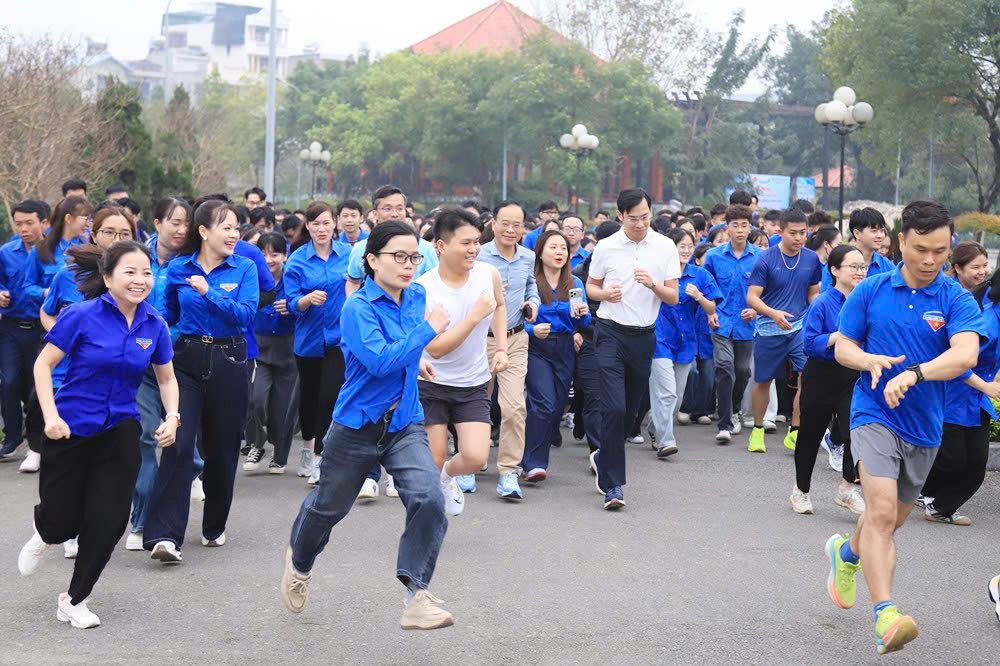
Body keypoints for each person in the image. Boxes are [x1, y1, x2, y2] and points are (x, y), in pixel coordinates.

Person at [825, 200, 985, 655]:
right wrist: (869, 360)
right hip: (873, 414)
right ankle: (887, 616)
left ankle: (846, 555)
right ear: (901, 243)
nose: (930, 260)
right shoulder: (871, 290)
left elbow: (965, 355)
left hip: (924, 428)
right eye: (920, 249)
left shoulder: (954, 298)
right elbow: (844, 348)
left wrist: (914, 373)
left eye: (939, 250)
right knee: (877, 512)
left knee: (888, 522)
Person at [280, 220, 454, 629]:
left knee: (429, 497)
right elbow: (377, 362)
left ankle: (416, 594)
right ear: (372, 260)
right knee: (327, 508)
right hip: (356, 426)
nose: (408, 264)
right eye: (398, 256)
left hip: (404, 423)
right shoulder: (356, 307)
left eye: (414, 256)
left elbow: (402, 347)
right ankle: (300, 562)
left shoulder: (417, 297)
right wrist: (429, 332)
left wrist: (417, 359)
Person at [17, 240, 178, 629]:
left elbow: (167, 378)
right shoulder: (81, 315)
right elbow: (43, 366)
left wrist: (173, 415)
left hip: (120, 429)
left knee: (107, 519)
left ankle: (74, 599)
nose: (140, 280)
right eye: (130, 272)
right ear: (107, 278)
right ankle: (47, 532)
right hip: (69, 427)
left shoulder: (154, 324)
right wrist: (50, 417)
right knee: (62, 518)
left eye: (146, 272)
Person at [143, 199, 259, 564]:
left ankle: (213, 523)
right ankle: (164, 535)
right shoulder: (179, 268)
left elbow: (245, 315)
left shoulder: (244, 268)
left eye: (237, 228)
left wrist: (209, 294)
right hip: (187, 361)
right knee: (177, 443)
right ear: (204, 231)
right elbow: (168, 315)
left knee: (222, 450)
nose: (234, 235)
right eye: (226, 227)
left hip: (230, 360)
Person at [23, 206, 138, 478]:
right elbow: (46, 311)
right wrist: (66, 340)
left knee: (107, 472)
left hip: (116, 386)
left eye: (124, 233)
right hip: (69, 379)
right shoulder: (69, 273)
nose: (116, 239)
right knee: (67, 469)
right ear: (93, 235)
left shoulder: (141, 277)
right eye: (109, 232)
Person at [586, 188, 680, 510]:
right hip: (609, 332)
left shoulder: (665, 246)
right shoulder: (607, 246)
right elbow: (590, 286)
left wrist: (653, 284)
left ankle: (604, 454)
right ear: (620, 215)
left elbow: (673, 297)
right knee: (613, 408)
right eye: (633, 218)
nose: (640, 224)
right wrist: (604, 295)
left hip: (644, 337)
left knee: (628, 414)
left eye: (645, 217)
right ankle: (614, 485)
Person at [417, 208, 507, 515]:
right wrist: (473, 317)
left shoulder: (488, 274)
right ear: (441, 246)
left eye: (476, 242)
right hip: (431, 382)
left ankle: (447, 479)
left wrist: (502, 348)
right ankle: (426, 518)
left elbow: (499, 306)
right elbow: (437, 348)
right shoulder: (425, 289)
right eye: (465, 243)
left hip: (472, 383)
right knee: (435, 457)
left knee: (476, 457)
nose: (473, 249)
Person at [127, 197, 195, 550]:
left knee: (188, 451)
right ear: (157, 223)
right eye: (175, 221)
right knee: (146, 438)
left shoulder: (195, 262)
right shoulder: (138, 257)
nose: (181, 229)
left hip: (180, 361)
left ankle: (182, 484)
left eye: (187, 222)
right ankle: (140, 522)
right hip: (140, 363)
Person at [919, 241, 998, 525]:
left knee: (971, 463)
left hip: (973, 395)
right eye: (975, 267)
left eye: (984, 266)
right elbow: (957, 359)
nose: (981, 271)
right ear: (957, 268)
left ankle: (935, 502)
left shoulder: (985, 302)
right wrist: (987, 386)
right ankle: (929, 499)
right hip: (953, 390)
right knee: (951, 458)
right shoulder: (978, 314)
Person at [793, 245, 867, 515]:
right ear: (835, 270)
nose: (860, 272)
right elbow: (810, 344)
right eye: (853, 266)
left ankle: (848, 488)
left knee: (853, 431)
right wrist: (841, 335)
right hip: (821, 374)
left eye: (863, 267)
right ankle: (800, 490)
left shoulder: (866, 301)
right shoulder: (823, 302)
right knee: (810, 434)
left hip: (852, 374)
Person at [284, 202, 352, 485]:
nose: (321, 229)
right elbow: (290, 303)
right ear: (307, 226)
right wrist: (306, 299)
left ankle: (325, 458)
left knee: (329, 396)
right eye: (315, 224)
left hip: (340, 338)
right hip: (309, 340)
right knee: (310, 399)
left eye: (326, 223)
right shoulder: (297, 260)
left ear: (334, 224)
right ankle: (308, 448)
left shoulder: (349, 255)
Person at [474, 200, 539, 498]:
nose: (511, 230)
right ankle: (468, 466)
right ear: (493, 224)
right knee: (474, 406)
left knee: (514, 407)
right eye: (505, 223)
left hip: (515, 338)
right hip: (479, 340)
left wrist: (532, 303)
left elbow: (530, 287)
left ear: (523, 228)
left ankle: (509, 471)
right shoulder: (479, 255)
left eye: (517, 225)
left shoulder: (528, 256)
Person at [746, 207, 822, 453]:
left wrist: (819, 311)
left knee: (806, 379)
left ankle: (795, 431)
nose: (799, 238)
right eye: (793, 233)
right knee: (763, 381)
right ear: (780, 232)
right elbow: (752, 298)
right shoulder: (765, 259)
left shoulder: (811, 259)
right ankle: (757, 430)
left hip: (799, 328)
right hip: (769, 329)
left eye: (803, 233)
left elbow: (813, 294)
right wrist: (773, 314)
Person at [520, 230, 590, 479]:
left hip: (565, 348)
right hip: (536, 348)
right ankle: (534, 463)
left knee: (556, 405)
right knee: (544, 403)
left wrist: (583, 313)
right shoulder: (530, 281)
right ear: (539, 252)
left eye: (563, 248)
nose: (559, 252)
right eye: (553, 247)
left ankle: (523, 454)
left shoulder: (574, 283)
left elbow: (584, 322)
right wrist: (531, 329)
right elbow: (518, 320)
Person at [648, 228, 721, 457]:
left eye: (690, 246)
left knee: (676, 398)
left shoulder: (700, 275)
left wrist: (699, 297)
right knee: (667, 392)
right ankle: (665, 441)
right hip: (659, 338)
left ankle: (653, 427)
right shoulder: (658, 273)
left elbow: (712, 308)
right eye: (682, 246)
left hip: (686, 340)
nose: (687, 250)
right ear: (671, 248)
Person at [702, 204, 760, 443]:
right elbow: (706, 286)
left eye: (744, 225)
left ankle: (734, 407)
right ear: (726, 228)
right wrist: (709, 312)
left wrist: (756, 308)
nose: (739, 230)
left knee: (743, 371)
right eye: (734, 225)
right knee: (724, 366)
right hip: (720, 320)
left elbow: (767, 290)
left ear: (750, 228)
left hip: (746, 323)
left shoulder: (760, 257)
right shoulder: (714, 256)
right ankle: (724, 423)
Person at [0, 201, 50, 460]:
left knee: (36, 386)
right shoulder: (6, 252)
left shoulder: (54, 253)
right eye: (18, 223)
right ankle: (12, 437)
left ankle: (38, 442)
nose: (23, 228)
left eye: (29, 223)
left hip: (43, 329)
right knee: (8, 382)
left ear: (44, 222)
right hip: (10, 327)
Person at [244, 232, 298, 474]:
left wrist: (293, 308)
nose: (268, 259)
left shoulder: (293, 279)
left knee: (283, 407)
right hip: (260, 346)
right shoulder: (251, 278)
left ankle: (280, 455)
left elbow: (305, 307)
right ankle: (257, 444)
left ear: (285, 256)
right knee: (257, 399)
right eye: (263, 253)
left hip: (289, 347)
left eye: (274, 254)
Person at [572, 220, 621, 454]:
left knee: (608, 397)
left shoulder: (628, 271)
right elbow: (570, 307)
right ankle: (598, 451)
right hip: (589, 337)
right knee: (590, 392)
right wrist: (576, 331)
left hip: (619, 339)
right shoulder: (579, 273)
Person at [678, 243, 718, 426]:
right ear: (698, 259)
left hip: (708, 333)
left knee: (708, 374)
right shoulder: (685, 276)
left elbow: (715, 304)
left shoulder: (708, 278)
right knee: (691, 371)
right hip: (687, 333)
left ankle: (701, 410)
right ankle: (685, 407)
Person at [822, 207, 893, 292]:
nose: (880, 236)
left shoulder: (887, 266)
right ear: (857, 233)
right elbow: (827, 300)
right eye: (874, 231)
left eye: (882, 231)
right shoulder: (836, 263)